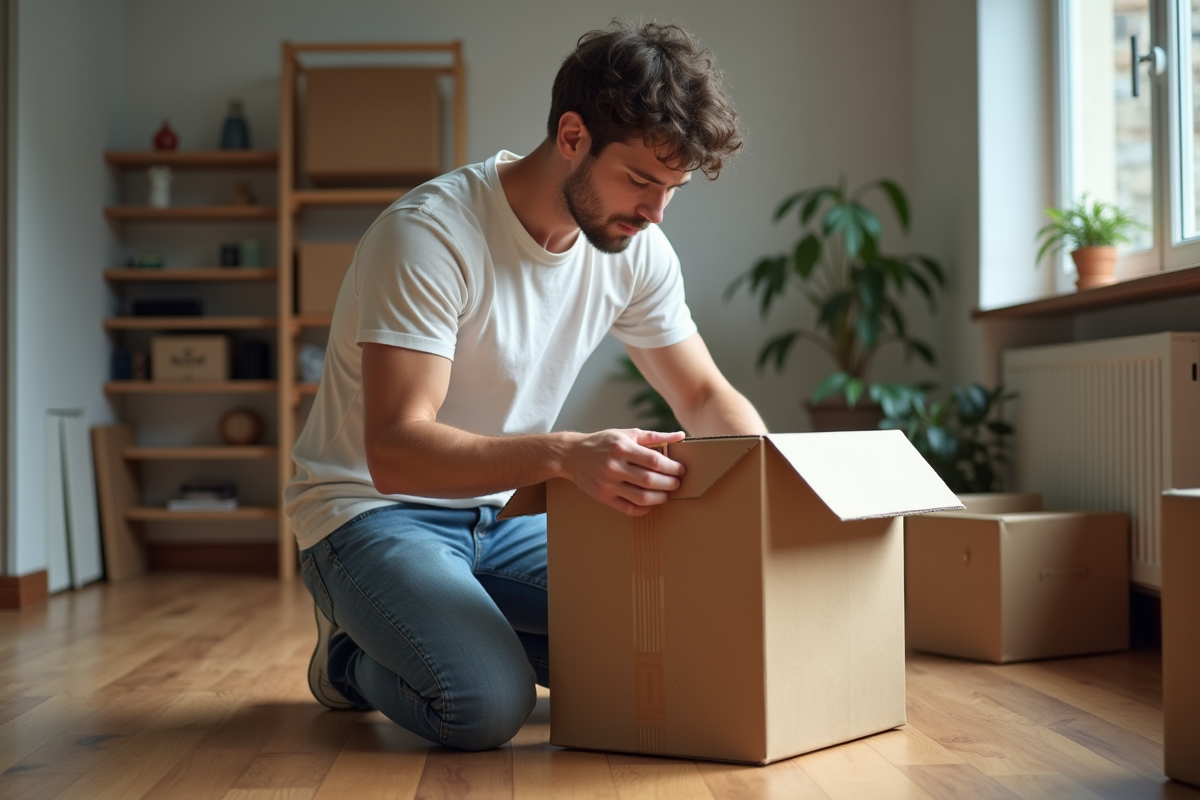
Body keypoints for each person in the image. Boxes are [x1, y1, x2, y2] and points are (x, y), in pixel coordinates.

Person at [286, 19, 768, 752]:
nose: (654, 211)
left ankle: (453, 625)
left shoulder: (635, 248)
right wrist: (566, 456)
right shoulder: (430, 235)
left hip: (499, 519)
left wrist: (771, 487)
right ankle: (350, 658)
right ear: (572, 136)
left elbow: (703, 395)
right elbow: (395, 450)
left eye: (672, 189)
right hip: (370, 513)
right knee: (484, 704)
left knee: (667, 643)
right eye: (640, 180)